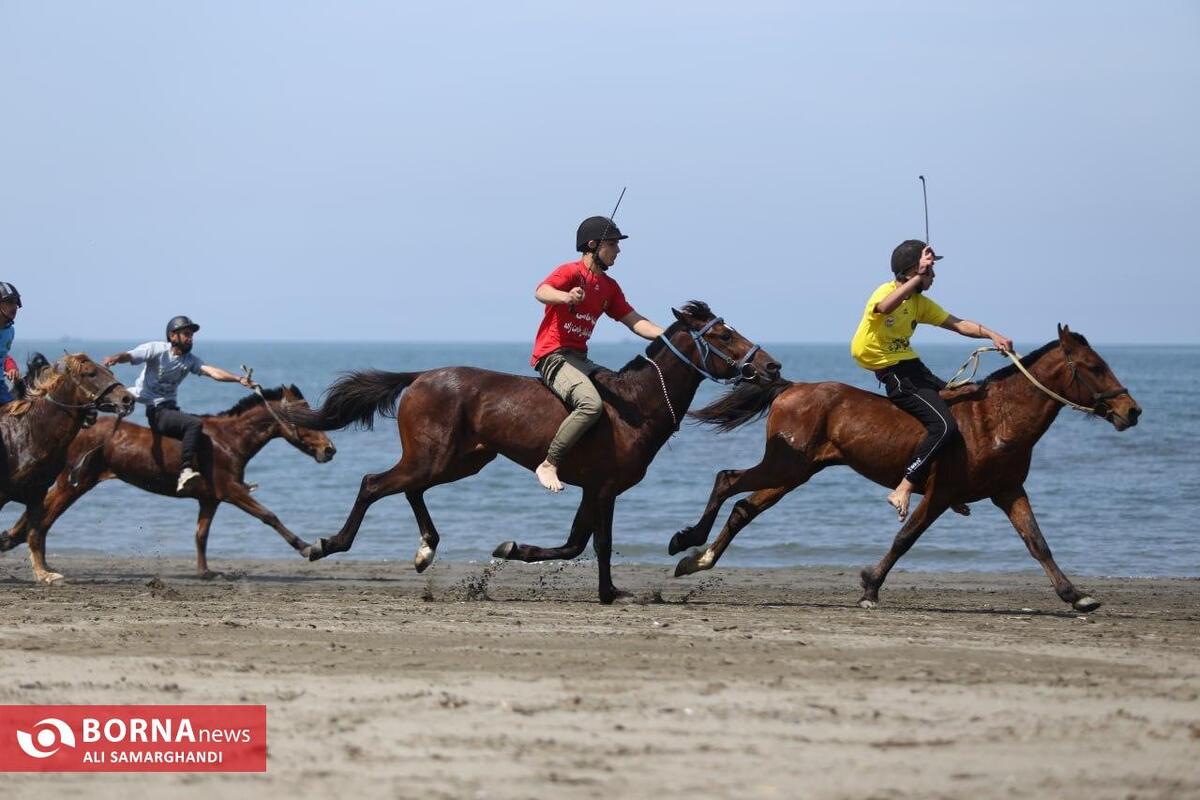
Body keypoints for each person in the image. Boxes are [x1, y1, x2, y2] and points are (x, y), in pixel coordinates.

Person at [850, 240, 1013, 521]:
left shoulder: (919, 303)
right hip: (894, 373)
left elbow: (958, 323)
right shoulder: (887, 291)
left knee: (962, 409)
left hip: (913, 366)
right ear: (914, 269)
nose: (934, 276)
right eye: (930, 270)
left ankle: (945, 486)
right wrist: (916, 277)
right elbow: (885, 308)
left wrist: (993, 335)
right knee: (943, 425)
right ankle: (904, 486)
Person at [531, 216, 665, 493]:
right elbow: (541, 292)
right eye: (613, 243)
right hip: (553, 356)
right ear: (593, 245)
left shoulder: (609, 287)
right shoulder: (570, 272)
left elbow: (635, 321)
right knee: (591, 405)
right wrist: (566, 297)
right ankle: (549, 463)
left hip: (580, 359)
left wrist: (671, 336)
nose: (618, 250)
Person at [103, 316, 252, 492]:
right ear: (173, 336)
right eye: (186, 334)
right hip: (157, 412)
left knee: (207, 435)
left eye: (191, 335)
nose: (190, 338)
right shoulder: (156, 349)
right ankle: (185, 472)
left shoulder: (190, 360)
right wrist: (115, 358)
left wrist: (238, 378)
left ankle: (226, 480)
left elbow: (212, 372)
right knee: (194, 424)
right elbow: (130, 355)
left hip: (171, 409)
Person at [0, 282, 22, 407]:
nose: (14, 307)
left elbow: (4, 356)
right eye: (9, 302)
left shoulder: (10, 331)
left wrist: (11, 368)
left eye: (15, 303)